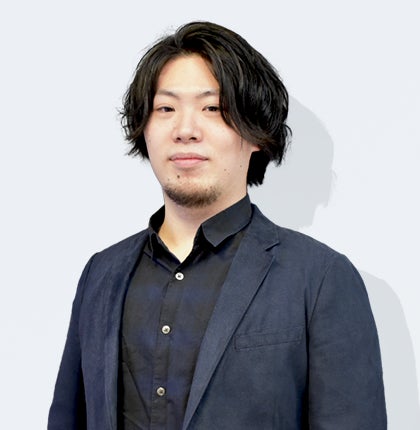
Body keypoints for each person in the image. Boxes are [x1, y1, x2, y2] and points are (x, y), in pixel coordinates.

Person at [48, 21, 387, 430]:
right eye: (166, 109)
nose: (185, 131)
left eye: (212, 108)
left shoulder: (321, 279)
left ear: (256, 132)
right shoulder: (100, 274)